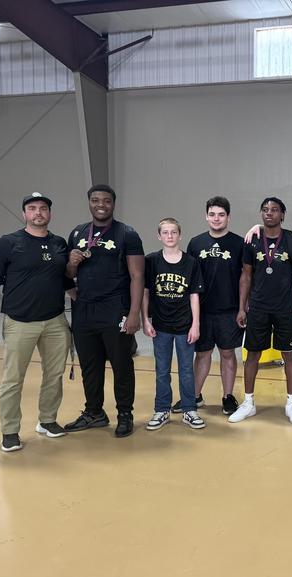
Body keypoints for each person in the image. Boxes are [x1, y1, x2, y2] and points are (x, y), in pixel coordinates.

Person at [0, 192, 73, 452]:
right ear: (24, 214)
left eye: (43, 208)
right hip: (20, 321)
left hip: (55, 321)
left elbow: (65, 281)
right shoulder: (8, 243)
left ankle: (47, 420)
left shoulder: (59, 243)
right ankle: (10, 431)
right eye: (32, 208)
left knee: (53, 375)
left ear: (50, 213)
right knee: (13, 379)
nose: (38, 213)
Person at [63, 184, 144, 438]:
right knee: (90, 365)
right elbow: (67, 276)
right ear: (89, 202)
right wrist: (71, 265)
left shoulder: (126, 234)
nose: (101, 204)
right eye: (96, 200)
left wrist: (133, 314)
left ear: (113, 204)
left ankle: (124, 414)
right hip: (84, 311)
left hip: (115, 309)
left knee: (121, 364)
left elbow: (137, 276)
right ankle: (94, 412)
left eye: (106, 201)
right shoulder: (77, 233)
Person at [229, 197, 292, 425]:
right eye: (265, 210)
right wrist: (242, 307)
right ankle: (249, 403)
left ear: (282, 214)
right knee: (252, 355)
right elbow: (246, 275)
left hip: (285, 307)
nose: (269, 213)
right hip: (258, 307)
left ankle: (291, 403)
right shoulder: (252, 240)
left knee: (289, 355)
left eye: (274, 210)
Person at [142, 218, 205, 430]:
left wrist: (195, 324)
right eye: (165, 232)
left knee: (186, 370)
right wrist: (145, 319)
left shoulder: (191, 262)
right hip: (160, 326)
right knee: (162, 370)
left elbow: (194, 295)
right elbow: (145, 292)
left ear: (180, 235)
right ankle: (162, 410)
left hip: (184, 325)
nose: (170, 236)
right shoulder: (151, 261)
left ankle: (189, 409)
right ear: (159, 236)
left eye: (173, 232)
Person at [186, 197, 244, 417]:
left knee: (228, 353)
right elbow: (189, 278)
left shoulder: (239, 243)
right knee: (202, 354)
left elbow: (246, 278)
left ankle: (228, 397)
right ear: (206, 216)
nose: (216, 218)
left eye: (221, 214)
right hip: (202, 310)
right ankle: (194, 396)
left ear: (228, 217)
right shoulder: (195, 243)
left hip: (229, 309)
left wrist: (243, 308)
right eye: (212, 214)